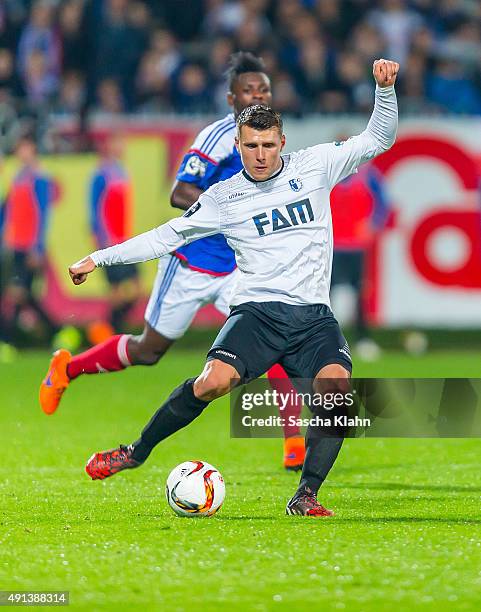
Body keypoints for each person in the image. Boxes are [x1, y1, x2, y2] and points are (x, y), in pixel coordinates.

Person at [68, 58, 399, 517]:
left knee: (337, 393)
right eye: (250, 146)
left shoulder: (317, 165)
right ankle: (136, 451)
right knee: (211, 383)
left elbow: (378, 138)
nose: (261, 155)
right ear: (237, 146)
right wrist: (98, 258)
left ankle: (306, 495)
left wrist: (384, 90)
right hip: (257, 315)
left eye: (268, 144)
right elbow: (166, 236)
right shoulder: (223, 198)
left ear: (282, 141)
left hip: (312, 318)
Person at [39, 52, 306, 470]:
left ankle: (294, 443)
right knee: (149, 350)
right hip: (191, 263)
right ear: (232, 97)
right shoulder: (217, 139)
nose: (259, 95)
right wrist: (228, 210)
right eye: (249, 90)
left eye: (265, 89)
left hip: (237, 267)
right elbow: (179, 193)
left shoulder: (270, 143)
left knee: (271, 338)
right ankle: (68, 369)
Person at [330, 160, 391, 360]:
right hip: (331, 245)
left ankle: (363, 339)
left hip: (356, 245)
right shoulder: (328, 172)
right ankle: (324, 341)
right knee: (324, 295)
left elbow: (384, 203)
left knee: (360, 293)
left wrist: (372, 225)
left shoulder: (367, 175)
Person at [1, 135, 58, 344]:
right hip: (16, 244)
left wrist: (38, 247)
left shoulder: (40, 177)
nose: (20, 153)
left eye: (24, 148)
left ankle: (9, 341)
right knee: (23, 294)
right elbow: (11, 212)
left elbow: (43, 214)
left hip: (29, 245)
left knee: (18, 292)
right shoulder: (17, 177)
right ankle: (57, 332)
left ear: (32, 149)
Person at [89, 133, 141, 333]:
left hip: (124, 239)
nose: (121, 146)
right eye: (117, 142)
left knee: (135, 289)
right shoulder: (101, 173)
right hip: (110, 241)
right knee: (117, 292)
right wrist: (101, 236)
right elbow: (94, 207)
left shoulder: (121, 171)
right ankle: (110, 333)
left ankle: (109, 329)